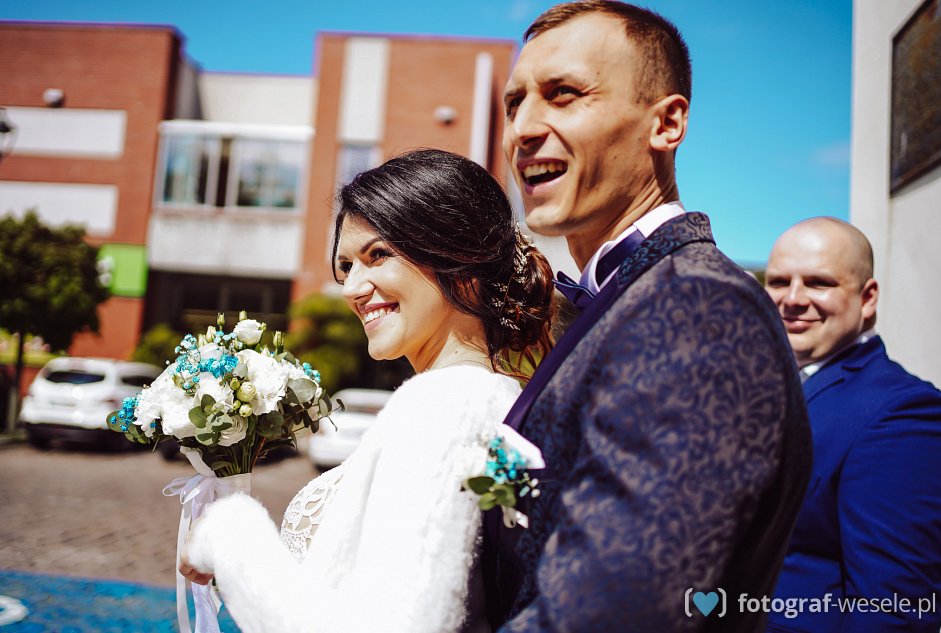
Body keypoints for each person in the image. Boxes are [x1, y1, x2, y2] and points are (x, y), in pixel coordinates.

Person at [480, 2, 812, 631]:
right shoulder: (621, 298)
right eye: (514, 103)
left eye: (563, 94)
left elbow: (615, 610)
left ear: (667, 123)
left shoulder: (697, 308)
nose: (523, 128)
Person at [179, 148, 558, 633]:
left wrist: (228, 534)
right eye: (345, 266)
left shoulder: (445, 405)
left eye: (378, 255)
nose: (351, 288)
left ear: (459, 259)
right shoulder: (498, 396)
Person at [764, 217, 941, 632]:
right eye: (778, 282)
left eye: (818, 283)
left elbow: (893, 610)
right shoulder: (767, 389)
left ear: (867, 298)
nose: (792, 299)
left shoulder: (904, 413)